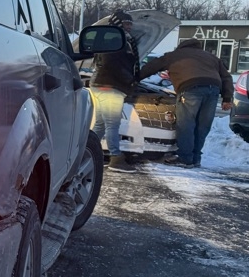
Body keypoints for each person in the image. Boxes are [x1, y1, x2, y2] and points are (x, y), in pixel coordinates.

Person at [137, 39, 233, 168]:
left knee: (186, 125)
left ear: (181, 46)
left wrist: (134, 78)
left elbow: (151, 67)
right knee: (202, 126)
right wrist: (227, 98)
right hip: (213, 90)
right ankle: (196, 159)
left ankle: (185, 158)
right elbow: (226, 77)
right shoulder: (211, 57)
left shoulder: (175, 55)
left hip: (191, 89)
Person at [90, 9, 141, 173]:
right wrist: (129, 80)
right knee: (112, 124)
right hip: (110, 86)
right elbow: (113, 64)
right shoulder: (116, 39)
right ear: (118, 24)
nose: (129, 27)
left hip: (101, 84)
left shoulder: (111, 38)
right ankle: (116, 158)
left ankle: (85, 153)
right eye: (126, 23)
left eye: (130, 24)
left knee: (100, 124)